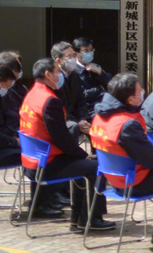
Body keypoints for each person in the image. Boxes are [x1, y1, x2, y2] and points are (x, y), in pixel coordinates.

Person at [89, 73, 153, 249]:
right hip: (132, 182)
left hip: (112, 178)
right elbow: (150, 159)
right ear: (130, 99)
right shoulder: (126, 124)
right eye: (140, 92)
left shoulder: (99, 116)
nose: (143, 93)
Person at [19, 58, 114, 229]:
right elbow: (61, 138)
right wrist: (82, 154)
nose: (60, 75)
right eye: (57, 72)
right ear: (48, 75)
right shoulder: (49, 100)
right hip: (45, 163)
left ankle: (79, 217)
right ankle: (91, 218)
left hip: (32, 160)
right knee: (95, 167)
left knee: (83, 165)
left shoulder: (32, 93)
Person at [51, 41, 87, 138]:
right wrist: (76, 121)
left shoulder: (75, 76)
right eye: (68, 56)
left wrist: (82, 119)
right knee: (73, 127)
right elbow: (60, 106)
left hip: (74, 116)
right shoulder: (54, 79)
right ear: (58, 61)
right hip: (60, 118)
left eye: (74, 55)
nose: (73, 59)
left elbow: (81, 101)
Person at [72, 37, 112, 124]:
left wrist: (100, 72)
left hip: (101, 103)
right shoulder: (73, 71)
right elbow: (82, 95)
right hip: (86, 109)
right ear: (76, 54)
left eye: (91, 50)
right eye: (85, 51)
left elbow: (110, 87)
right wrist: (100, 90)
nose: (89, 53)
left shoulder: (95, 66)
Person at [0, 64, 21, 168]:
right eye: (5, 87)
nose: (6, 89)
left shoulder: (7, 94)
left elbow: (14, 117)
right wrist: (14, 142)